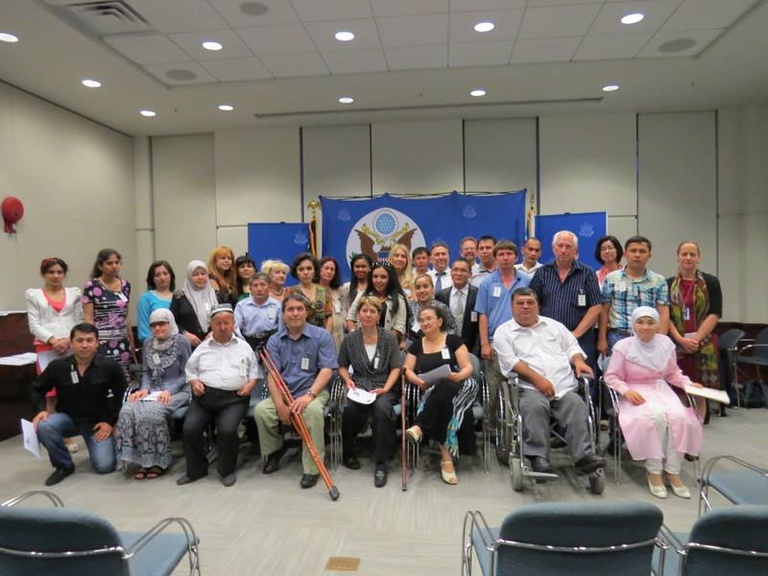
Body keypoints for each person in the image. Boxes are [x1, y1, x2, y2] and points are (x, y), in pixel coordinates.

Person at [493, 288, 606, 477]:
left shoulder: (554, 326)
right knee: (534, 407)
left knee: (577, 405)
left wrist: (578, 361)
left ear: (538, 305)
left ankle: (584, 457)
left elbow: (572, 347)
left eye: (530, 302)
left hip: (563, 386)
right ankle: (538, 458)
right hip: (529, 387)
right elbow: (512, 362)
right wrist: (538, 381)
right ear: (512, 307)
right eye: (520, 303)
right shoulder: (504, 332)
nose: (526, 306)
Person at [604, 307, 703, 499]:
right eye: (640, 322)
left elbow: (673, 373)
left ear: (658, 324)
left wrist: (689, 385)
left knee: (680, 417)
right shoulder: (623, 346)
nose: (645, 327)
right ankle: (654, 471)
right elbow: (611, 376)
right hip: (634, 391)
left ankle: (673, 470)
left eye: (651, 322)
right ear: (633, 324)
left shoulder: (666, 343)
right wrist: (626, 391)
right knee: (654, 418)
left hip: (661, 389)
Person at [255, 294, 338, 489]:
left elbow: (327, 370)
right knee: (262, 411)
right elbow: (273, 375)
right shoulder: (275, 340)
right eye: (290, 310)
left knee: (313, 412)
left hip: (313, 391)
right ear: (283, 315)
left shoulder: (321, 336)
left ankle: (312, 468)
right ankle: (274, 451)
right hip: (285, 392)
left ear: (306, 312)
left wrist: (308, 396)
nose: (295, 313)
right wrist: (279, 405)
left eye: (299, 309)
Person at [31, 323, 126, 486]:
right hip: (68, 419)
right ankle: (64, 466)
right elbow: (35, 389)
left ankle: (112, 445)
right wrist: (40, 410)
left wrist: (111, 423)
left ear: (97, 343)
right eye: (79, 340)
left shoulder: (110, 367)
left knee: (105, 467)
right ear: (72, 342)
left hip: (97, 424)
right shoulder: (58, 367)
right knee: (45, 425)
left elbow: (123, 397)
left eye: (89, 340)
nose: (84, 345)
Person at [177, 304, 260, 487]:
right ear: (211, 326)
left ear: (233, 324)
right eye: (218, 323)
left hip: (234, 399)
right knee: (190, 429)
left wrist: (249, 386)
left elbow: (254, 372)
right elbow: (190, 370)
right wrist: (194, 382)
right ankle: (196, 470)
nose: (222, 327)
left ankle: (227, 470)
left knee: (227, 430)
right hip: (204, 397)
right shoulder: (203, 348)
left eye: (226, 323)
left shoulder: (244, 347)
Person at [403, 305, 476, 485]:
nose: (425, 322)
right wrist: (418, 381)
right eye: (421, 320)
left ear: (440, 321)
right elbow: (407, 370)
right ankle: (446, 459)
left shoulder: (453, 340)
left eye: (429, 318)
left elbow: (468, 367)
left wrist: (459, 375)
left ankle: (420, 426)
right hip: (432, 390)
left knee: (445, 384)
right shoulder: (416, 345)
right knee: (443, 399)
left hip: (461, 385)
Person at [116, 309, 191, 479]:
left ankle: (158, 461)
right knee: (127, 410)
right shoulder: (149, 343)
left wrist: (168, 391)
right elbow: (146, 372)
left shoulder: (181, 341)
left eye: (161, 323)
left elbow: (187, 374)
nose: (157, 328)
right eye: (154, 325)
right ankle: (142, 461)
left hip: (178, 391)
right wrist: (144, 389)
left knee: (150, 415)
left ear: (170, 323)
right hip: (152, 391)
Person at [338, 296, 403, 487]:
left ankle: (381, 463)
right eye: (364, 311)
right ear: (358, 314)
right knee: (349, 410)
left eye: (372, 311)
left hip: (384, 386)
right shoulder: (350, 339)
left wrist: (386, 388)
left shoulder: (389, 338)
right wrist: (347, 380)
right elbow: (342, 365)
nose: (368, 315)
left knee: (382, 410)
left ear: (379, 315)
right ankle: (348, 452)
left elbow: (396, 368)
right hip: (359, 387)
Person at [26, 256, 84, 454]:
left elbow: (79, 319)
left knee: (72, 389)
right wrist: (52, 340)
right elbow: (34, 324)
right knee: (51, 395)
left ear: (64, 274)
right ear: (44, 274)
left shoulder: (74, 293)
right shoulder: (34, 295)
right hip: (46, 347)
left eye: (59, 272)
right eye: (51, 272)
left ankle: (76, 427)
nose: (56, 276)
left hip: (71, 345)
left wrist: (69, 339)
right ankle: (58, 437)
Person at [667, 241, 723, 420]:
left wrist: (695, 339)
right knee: (681, 389)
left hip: (703, 343)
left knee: (699, 389)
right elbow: (665, 315)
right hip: (677, 343)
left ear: (699, 257)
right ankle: (683, 428)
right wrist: (680, 339)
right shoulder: (668, 284)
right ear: (677, 257)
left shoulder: (711, 282)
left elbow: (715, 313)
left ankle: (696, 430)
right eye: (684, 254)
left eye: (692, 254)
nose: (688, 258)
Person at [474, 240, 530, 423]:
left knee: (522, 386)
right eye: (501, 254)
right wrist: (484, 344)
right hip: (495, 343)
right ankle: (491, 427)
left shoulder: (527, 281)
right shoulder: (487, 283)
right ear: (496, 257)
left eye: (509, 254)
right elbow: (482, 315)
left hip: (522, 340)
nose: (505, 258)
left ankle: (518, 425)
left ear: (516, 256)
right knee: (494, 387)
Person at [529, 231, 602, 366]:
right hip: (548, 337)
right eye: (560, 246)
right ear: (553, 248)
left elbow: (596, 306)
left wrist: (575, 333)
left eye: (568, 246)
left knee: (583, 378)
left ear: (576, 250)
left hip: (580, 338)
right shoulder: (542, 273)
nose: (563, 250)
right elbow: (532, 303)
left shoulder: (587, 273)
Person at [598, 235, 669, 356]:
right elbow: (604, 309)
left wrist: (661, 339)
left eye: (642, 251)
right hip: (618, 336)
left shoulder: (658, 281)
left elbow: (663, 311)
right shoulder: (612, 278)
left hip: (649, 337)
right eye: (633, 251)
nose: (637, 255)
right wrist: (602, 339)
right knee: (618, 374)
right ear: (625, 254)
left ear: (649, 255)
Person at [82, 248, 135, 383]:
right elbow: (88, 318)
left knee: (122, 379)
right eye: (109, 263)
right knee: (103, 378)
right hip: (102, 341)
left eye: (117, 262)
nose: (114, 266)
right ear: (100, 265)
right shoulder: (91, 286)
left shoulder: (125, 285)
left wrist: (131, 339)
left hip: (122, 341)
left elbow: (126, 315)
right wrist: (91, 341)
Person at [346, 262, 408, 345]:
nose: (378, 281)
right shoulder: (362, 295)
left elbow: (399, 327)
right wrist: (355, 337)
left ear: (390, 279)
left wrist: (382, 345)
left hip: (387, 346)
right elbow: (350, 318)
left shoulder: (399, 299)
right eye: (375, 276)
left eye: (383, 277)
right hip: (361, 344)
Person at [170, 260, 218, 349]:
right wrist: (184, 333)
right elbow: (170, 321)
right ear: (189, 277)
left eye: (203, 274)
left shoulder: (217, 295)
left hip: (214, 343)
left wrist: (214, 332)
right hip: (188, 345)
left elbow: (224, 318)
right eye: (195, 274)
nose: (200, 277)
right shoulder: (179, 297)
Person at [436, 259, 480, 355]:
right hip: (446, 348)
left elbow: (479, 328)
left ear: (470, 274)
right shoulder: (440, 295)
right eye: (455, 270)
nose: (458, 273)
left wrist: (475, 352)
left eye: (463, 270)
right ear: (451, 273)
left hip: (471, 348)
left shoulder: (478, 294)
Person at [234, 272, 282, 352]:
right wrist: (243, 342)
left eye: (263, 285)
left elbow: (281, 327)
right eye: (255, 286)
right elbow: (236, 327)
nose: (259, 289)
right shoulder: (242, 305)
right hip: (249, 341)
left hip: (271, 341)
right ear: (250, 288)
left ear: (269, 287)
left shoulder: (276, 305)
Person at [287, 252, 333, 331]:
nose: (305, 273)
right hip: (298, 336)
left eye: (309, 268)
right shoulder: (290, 292)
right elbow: (287, 317)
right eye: (301, 269)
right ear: (296, 273)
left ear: (315, 271)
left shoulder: (323, 291)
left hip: (320, 337)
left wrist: (326, 336)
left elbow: (329, 317)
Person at [407, 273, 456, 341]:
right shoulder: (409, 307)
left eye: (425, 286)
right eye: (418, 288)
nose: (422, 291)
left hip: (438, 346)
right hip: (414, 346)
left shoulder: (441, 308)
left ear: (432, 288)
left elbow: (452, 330)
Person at [137, 260, 175, 344]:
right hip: (154, 347)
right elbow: (144, 332)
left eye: (165, 273)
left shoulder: (179, 297)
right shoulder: (145, 298)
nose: (162, 278)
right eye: (158, 275)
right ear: (152, 279)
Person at [318, 256, 349, 352]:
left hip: (340, 336)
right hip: (321, 337)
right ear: (319, 269)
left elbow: (346, 310)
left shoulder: (340, 291)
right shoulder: (313, 290)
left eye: (332, 269)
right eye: (326, 268)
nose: (329, 271)